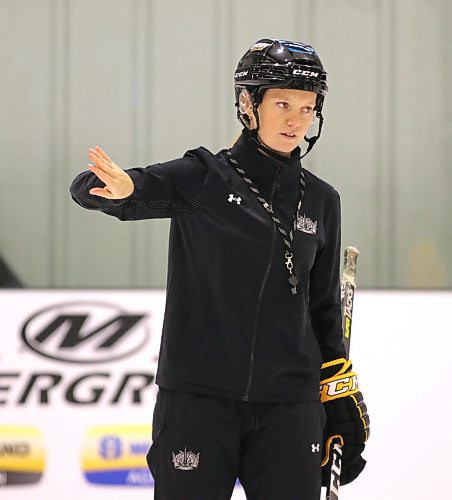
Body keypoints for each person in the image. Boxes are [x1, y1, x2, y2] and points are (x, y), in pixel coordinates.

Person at [70, 38, 369, 500]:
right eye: (284, 103)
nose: (296, 119)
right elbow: (113, 189)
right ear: (249, 104)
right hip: (198, 401)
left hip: (290, 406)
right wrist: (124, 189)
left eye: (308, 107)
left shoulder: (323, 201)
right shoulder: (204, 178)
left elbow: (326, 312)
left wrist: (338, 394)